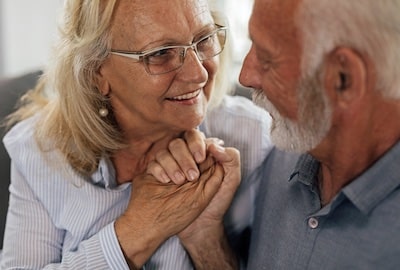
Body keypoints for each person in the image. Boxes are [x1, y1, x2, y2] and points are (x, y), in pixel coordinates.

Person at [0, 0, 272, 269]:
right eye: (161, 53)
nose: (198, 74)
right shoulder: (41, 149)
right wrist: (139, 228)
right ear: (96, 73)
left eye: (203, 40)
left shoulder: (256, 137)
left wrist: (205, 238)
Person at [152, 0, 400, 269]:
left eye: (267, 60)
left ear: (344, 78)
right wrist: (205, 240)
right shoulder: (279, 150)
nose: (245, 76)